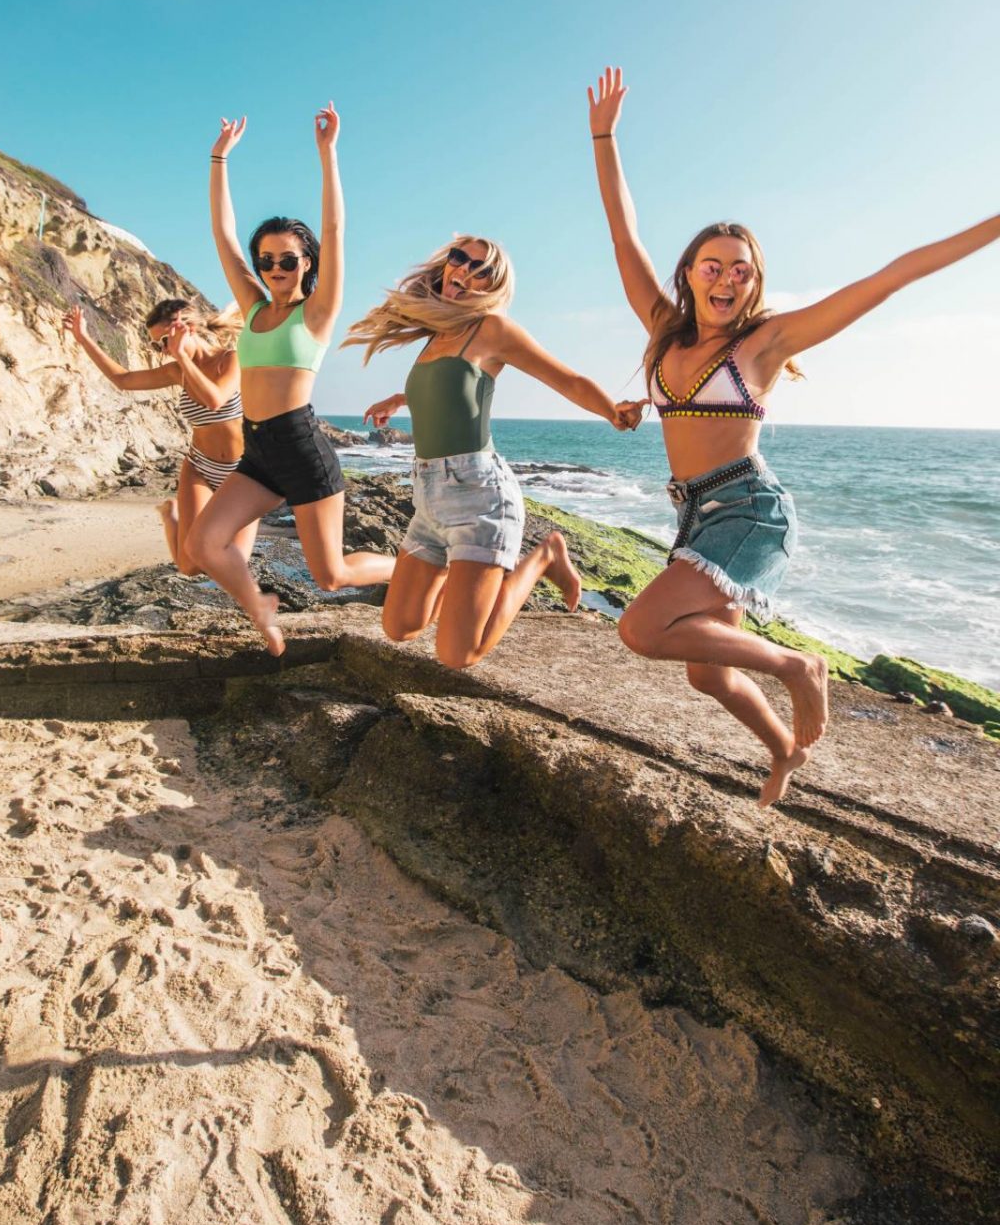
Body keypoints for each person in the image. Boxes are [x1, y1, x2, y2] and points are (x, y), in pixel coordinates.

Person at [588, 63, 1000, 806]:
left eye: (741, 271)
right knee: (709, 672)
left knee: (642, 630)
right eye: (712, 266)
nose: (726, 279)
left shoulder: (765, 344)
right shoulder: (662, 330)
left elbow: (891, 276)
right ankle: (784, 751)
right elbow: (623, 234)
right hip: (694, 510)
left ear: (754, 282)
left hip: (750, 510)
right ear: (689, 273)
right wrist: (604, 137)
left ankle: (799, 667)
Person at [345, 235, 644, 669]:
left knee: (458, 654)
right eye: (459, 258)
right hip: (428, 497)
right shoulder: (440, 332)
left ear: (491, 285)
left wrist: (612, 411)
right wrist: (400, 398)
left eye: (480, 269)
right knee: (401, 626)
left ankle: (545, 555)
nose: (464, 270)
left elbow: (567, 379)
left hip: (479, 498)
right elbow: (452, 387)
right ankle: (463, 581)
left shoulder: (492, 330)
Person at [190, 105, 394, 653]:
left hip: (301, 449)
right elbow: (222, 235)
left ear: (307, 262)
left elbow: (334, 229)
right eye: (266, 261)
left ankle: (413, 568)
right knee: (204, 545)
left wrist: (328, 154)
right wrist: (218, 159)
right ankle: (262, 609)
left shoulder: (317, 313)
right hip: (258, 449)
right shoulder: (254, 308)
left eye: (287, 260)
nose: (275, 269)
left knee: (331, 575)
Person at [62, 298, 253, 575]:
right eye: (156, 346)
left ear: (185, 328)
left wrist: (182, 356)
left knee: (236, 563)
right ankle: (169, 515)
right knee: (189, 566)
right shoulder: (177, 371)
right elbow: (123, 380)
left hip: (242, 472)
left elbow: (215, 399)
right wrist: (83, 338)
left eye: (163, 341)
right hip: (200, 466)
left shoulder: (230, 359)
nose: (163, 351)